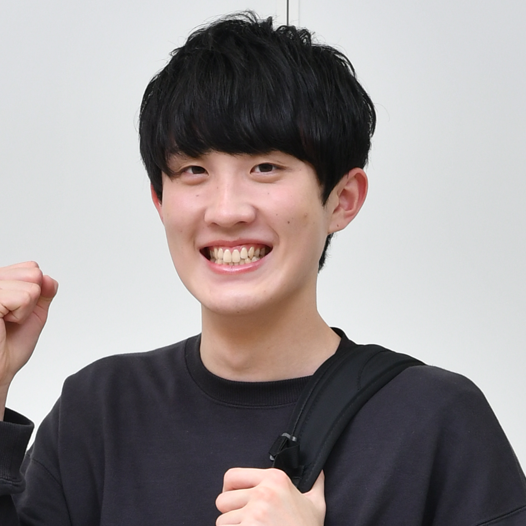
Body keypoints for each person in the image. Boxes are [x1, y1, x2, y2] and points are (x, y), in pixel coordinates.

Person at [1, 11, 525, 526]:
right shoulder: (100, 411)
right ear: (160, 201)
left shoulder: (436, 420)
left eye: (265, 167)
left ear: (342, 199)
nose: (226, 211)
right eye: (194, 171)